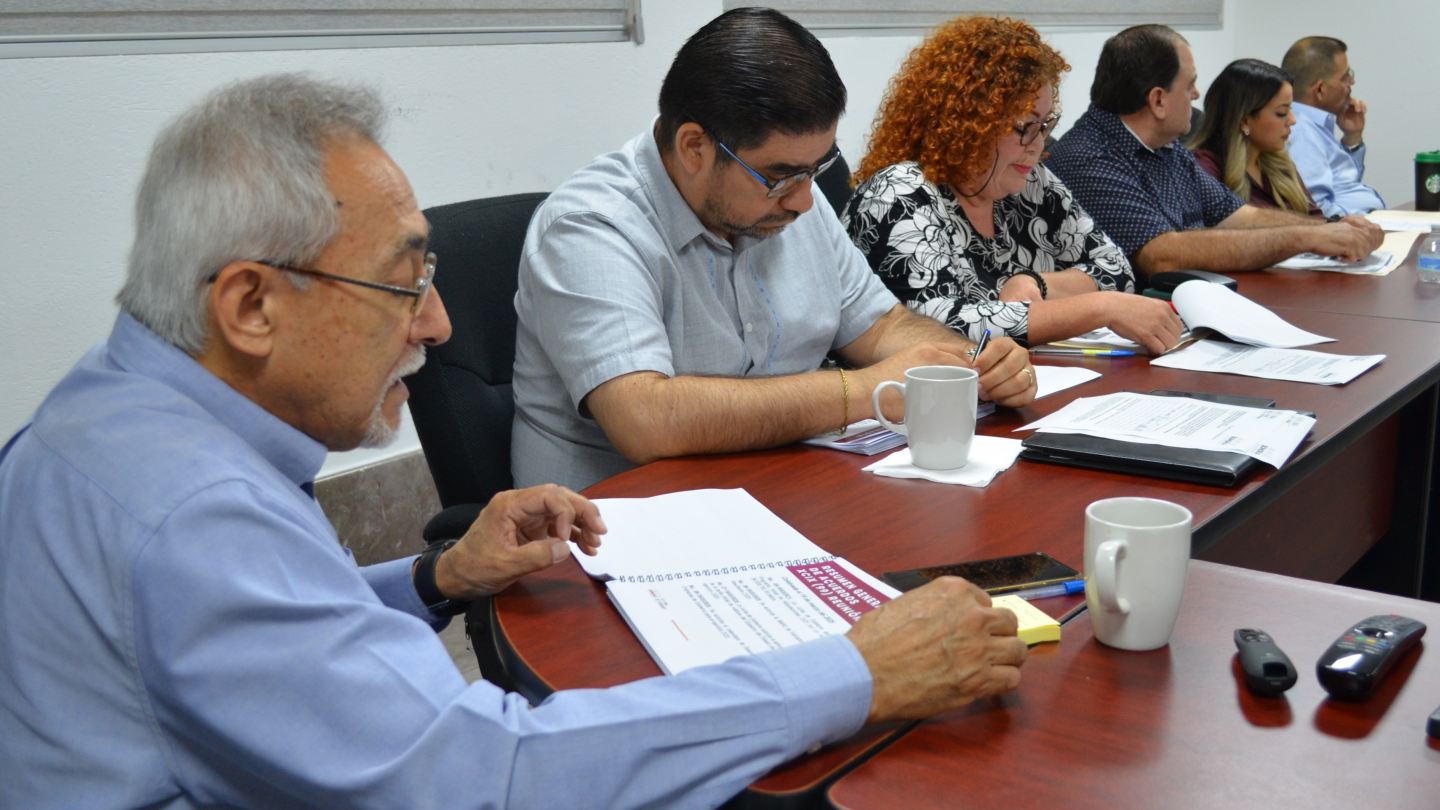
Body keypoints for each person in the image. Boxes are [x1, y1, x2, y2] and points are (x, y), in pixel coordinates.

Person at [0, 73, 1030, 810]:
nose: (438, 323)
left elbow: (254, 626)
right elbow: (486, 775)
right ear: (250, 305)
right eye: (403, 281)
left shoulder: (117, 418)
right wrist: (853, 672)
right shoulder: (191, 512)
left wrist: (437, 574)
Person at [511, 8, 1035, 492]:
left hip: (774, 496)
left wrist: (965, 363)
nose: (806, 200)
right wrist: (864, 388)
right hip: (613, 537)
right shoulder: (591, 226)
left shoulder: (788, 201)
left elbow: (883, 327)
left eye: (816, 169)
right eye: (781, 177)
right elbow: (646, 418)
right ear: (694, 147)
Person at [844, 16, 1183, 355]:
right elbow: (942, 324)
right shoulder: (898, 195)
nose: (1038, 144)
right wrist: (1100, 308)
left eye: (1045, 124)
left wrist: (1036, 284)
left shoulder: (1029, 181)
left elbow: (1116, 268)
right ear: (969, 121)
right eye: (1026, 126)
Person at [1046, 24, 1382, 277]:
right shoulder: (1090, 157)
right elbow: (1162, 254)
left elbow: (1236, 215)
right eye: (1190, 84)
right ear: (1158, 100)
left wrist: (1326, 230)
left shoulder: (1168, 149)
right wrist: (1304, 239)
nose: (1196, 94)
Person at [1281, 36, 1385, 216]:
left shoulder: (1313, 127)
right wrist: (1367, 226)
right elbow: (1318, 212)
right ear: (1320, 89)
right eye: (1345, 77)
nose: (1351, 82)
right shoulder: (1300, 132)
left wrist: (1352, 139)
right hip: (1354, 235)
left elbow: (1344, 186)